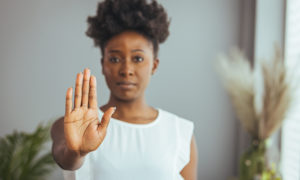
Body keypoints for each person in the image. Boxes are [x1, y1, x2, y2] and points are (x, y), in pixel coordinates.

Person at [51, 0, 198, 179]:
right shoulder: (73, 127)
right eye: (114, 59)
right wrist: (76, 153)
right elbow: (66, 159)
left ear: (154, 65)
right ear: (103, 64)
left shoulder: (179, 131)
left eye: (137, 59)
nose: (126, 70)